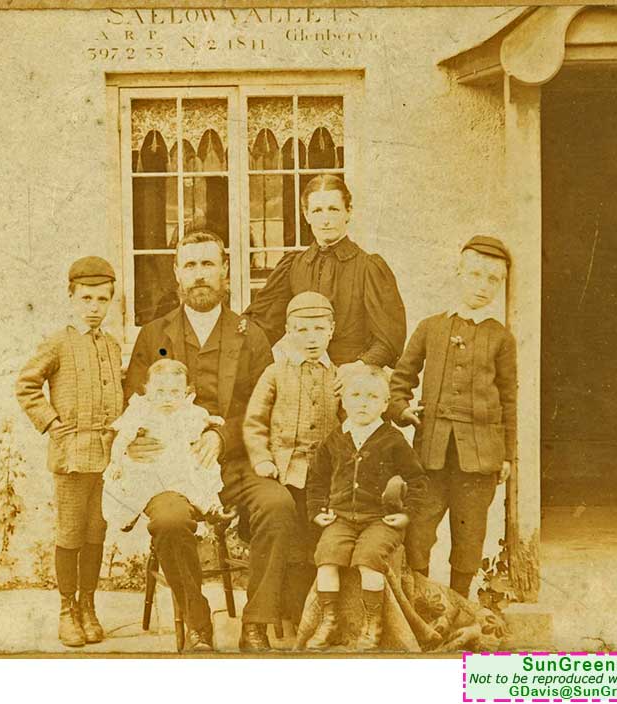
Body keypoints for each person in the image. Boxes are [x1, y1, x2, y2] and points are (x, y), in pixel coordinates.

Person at [124, 229, 280, 652]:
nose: (199, 274)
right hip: (172, 468)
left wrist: (222, 435)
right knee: (169, 520)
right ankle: (197, 621)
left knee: (278, 506)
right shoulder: (154, 335)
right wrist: (138, 440)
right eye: (190, 265)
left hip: (236, 462)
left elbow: (266, 407)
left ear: (226, 270)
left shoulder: (251, 335)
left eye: (208, 264)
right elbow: (133, 401)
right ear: (176, 272)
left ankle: (256, 622)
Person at [388, 236, 517, 599]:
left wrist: (507, 455)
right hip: (431, 454)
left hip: (479, 458)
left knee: (470, 534)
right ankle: (422, 601)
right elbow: (401, 378)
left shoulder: (501, 338)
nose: (482, 286)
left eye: (492, 279)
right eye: (475, 274)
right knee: (419, 530)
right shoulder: (431, 327)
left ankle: (460, 603)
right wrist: (401, 409)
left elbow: (509, 399)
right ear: (458, 273)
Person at [15, 256, 123, 648]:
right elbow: (27, 384)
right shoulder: (58, 342)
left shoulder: (111, 346)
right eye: (86, 298)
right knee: (71, 533)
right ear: (71, 297)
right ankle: (66, 609)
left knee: (96, 532)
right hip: (71, 457)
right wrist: (50, 421)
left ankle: (88, 606)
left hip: (106, 459)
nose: (94, 307)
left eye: (103, 299)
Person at [245, 174, 408, 386]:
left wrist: (360, 365)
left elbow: (389, 340)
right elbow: (264, 326)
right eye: (317, 211)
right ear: (306, 215)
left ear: (348, 212)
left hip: (355, 383)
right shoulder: (293, 266)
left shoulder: (369, 268)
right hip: (303, 382)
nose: (326, 219)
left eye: (333, 209)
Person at [305, 366, 426, 650]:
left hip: (380, 520)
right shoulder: (335, 439)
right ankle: (329, 620)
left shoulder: (392, 439)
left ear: (385, 404)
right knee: (327, 557)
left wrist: (406, 513)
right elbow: (317, 478)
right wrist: (317, 510)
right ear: (343, 401)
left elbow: (417, 480)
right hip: (342, 519)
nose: (363, 403)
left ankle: (373, 624)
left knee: (369, 559)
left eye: (372, 397)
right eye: (356, 395)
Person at [242, 291, 342, 626]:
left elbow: (348, 425)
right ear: (288, 331)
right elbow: (255, 421)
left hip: (324, 476)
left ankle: (311, 612)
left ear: (332, 330)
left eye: (319, 329)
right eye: (302, 330)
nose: (311, 338)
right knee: (291, 537)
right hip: (286, 470)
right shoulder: (275, 373)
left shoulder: (338, 376)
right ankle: (288, 610)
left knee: (317, 541)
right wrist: (262, 458)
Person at [103, 359, 226, 562]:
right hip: (150, 464)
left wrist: (210, 421)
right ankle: (129, 515)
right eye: (160, 392)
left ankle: (211, 508)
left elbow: (200, 420)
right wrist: (116, 462)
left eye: (174, 392)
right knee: (138, 487)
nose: (167, 399)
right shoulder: (141, 411)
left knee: (195, 479)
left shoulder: (187, 410)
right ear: (148, 390)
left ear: (186, 393)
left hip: (177, 464)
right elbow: (122, 438)